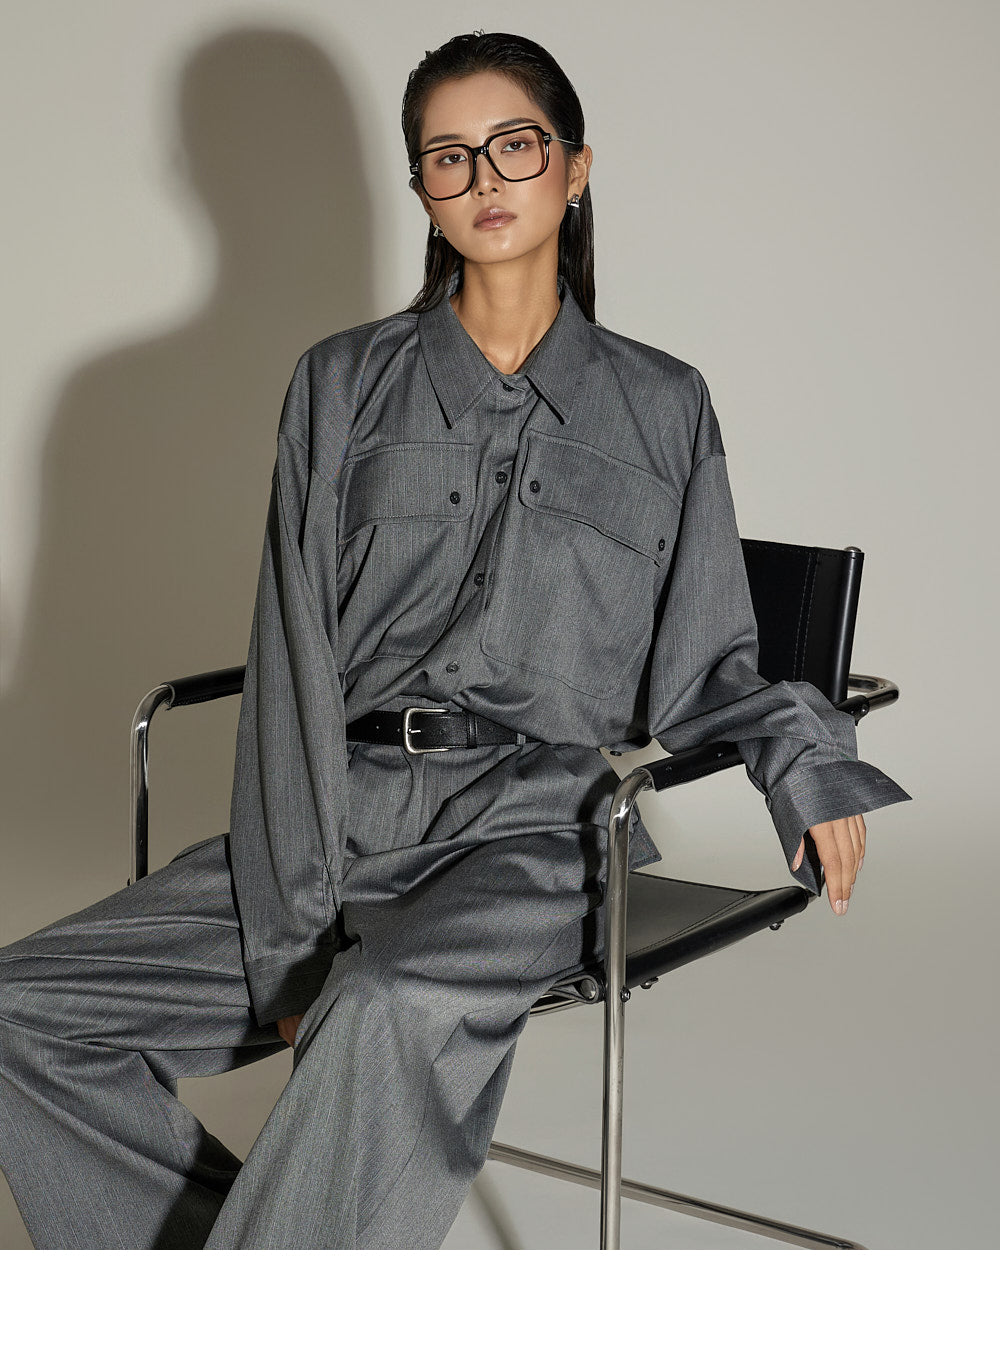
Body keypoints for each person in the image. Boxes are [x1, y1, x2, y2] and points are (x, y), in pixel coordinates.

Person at [0, 30, 910, 1250]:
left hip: (536, 839)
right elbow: (292, 662)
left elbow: (708, 665)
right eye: (448, 156)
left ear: (574, 168)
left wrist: (803, 757)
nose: (483, 179)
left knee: (383, 1003)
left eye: (514, 146)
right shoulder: (340, 384)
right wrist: (292, 939)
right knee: (21, 1012)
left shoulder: (662, 404)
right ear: (421, 187)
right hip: (330, 819)